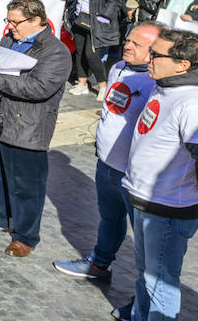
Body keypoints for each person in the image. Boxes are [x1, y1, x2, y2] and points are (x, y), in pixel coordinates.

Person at [90, 29, 198, 321]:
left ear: (183, 64)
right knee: (147, 275)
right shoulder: (167, 86)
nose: (150, 59)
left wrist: (185, 189)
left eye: (157, 54)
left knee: (161, 282)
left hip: (168, 209)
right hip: (147, 200)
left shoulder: (195, 102)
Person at [0, 0, 72, 257]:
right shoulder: (10, 40)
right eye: (8, 21)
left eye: (15, 22)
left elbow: (40, 88)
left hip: (27, 126)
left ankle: (25, 236)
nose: (10, 26)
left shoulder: (55, 51)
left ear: (37, 20)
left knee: (26, 186)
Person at [53, 22, 161, 281]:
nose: (127, 45)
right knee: (110, 219)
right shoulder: (118, 68)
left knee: (146, 237)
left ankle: (146, 293)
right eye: (128, 40)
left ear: (154, 52)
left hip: (133, 174)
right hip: (106, 163)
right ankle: (99, 264)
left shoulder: (157, 83)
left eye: (136, 44)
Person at [68, 0, 126, 96]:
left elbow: (115, 0)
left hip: (96, 23)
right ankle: (82, 84)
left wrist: (104, 18)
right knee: (79, 53)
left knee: (91, 55)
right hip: (80, 20)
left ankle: (103, 86)